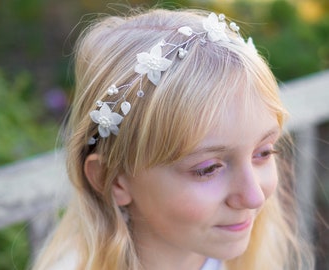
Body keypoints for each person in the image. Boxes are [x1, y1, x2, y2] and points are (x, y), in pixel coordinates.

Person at [33, 8, 314, 270]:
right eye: (208, 168)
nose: (253, 197)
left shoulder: (243, 257)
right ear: (112, 179)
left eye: (263, 153)